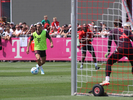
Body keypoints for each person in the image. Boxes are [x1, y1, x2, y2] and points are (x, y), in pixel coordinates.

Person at [100, 19, 133, 86]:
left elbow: (109, 40)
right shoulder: (127, 31)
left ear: (114, 25)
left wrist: (108, 51)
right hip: (130, 49)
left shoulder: (113, 31)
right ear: (121, 24)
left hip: (120, 49)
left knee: (109, 62)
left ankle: (107, 80)